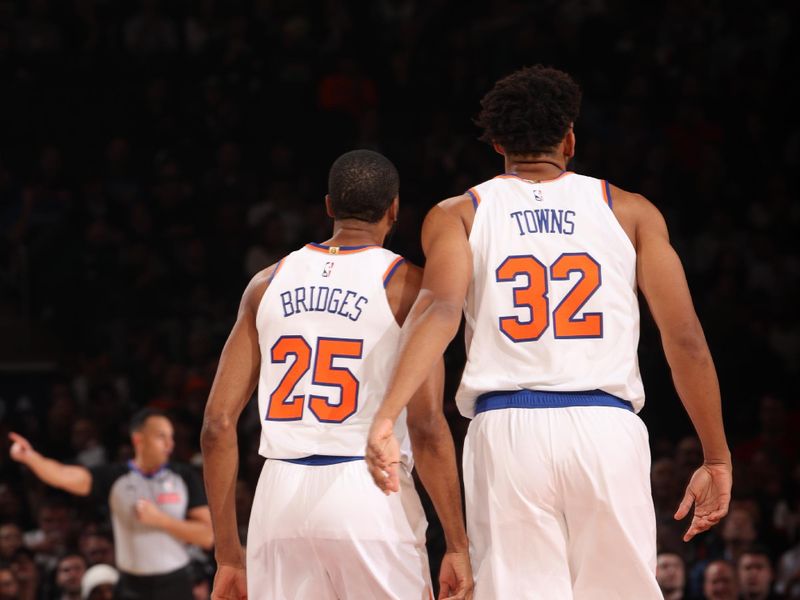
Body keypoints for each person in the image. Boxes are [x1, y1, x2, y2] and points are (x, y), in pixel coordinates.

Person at [366, 64, 733, 598]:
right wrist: (716, 456)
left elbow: (439, 311)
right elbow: (686, 341)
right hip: (605, 427)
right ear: (570, 139)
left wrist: (384, 416)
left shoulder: (460, 214)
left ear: (496, 144)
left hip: (508, 430)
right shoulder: (629, 210)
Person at [202, 149, 472, 599]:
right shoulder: (407, 287)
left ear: (329, 207)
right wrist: (458, 544)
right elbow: (426, 426)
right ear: (394, 209)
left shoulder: (266, 283)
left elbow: (216, 426)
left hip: (278, 498)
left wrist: (229, 555)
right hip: (368, 490)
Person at [8, 409, 212, 600]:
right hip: (132, 586)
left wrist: (160, 520)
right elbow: (64, 476)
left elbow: (207, 536)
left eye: (171, 437)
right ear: (138, 439)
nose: (169, 444)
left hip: (176, 582)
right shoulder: (115, 477)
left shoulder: (184, 477)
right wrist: (31, 458)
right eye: (161, 436)